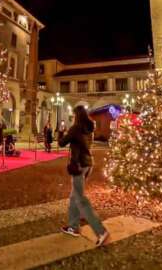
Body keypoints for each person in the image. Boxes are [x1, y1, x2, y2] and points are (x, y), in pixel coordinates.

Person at [58, 105, 109, 247]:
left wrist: (61, 131)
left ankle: (101, 231)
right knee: (74, 196)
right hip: (88, 164)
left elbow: (62, 143)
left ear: (76, 115)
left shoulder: (75, 128)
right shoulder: (89, 128)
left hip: (79, 165)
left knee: (80, 198)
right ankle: (73, 227)